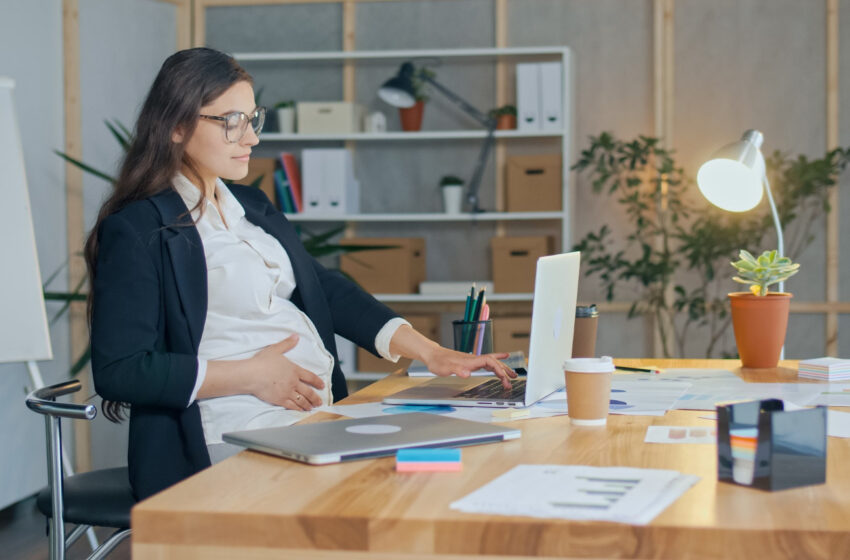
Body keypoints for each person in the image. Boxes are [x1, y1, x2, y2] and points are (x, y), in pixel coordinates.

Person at [86, 47, 517, 501]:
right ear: (175, 125)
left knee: (459, 447)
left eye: (254, 120)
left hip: (304, 423)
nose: (250, 137)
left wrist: (432, 354)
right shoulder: (138, 228)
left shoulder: (250, 206)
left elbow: (324, 288)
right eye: (231, 121)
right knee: (409, 483)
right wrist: (250, 375)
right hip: (223, 436)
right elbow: (121, 370)